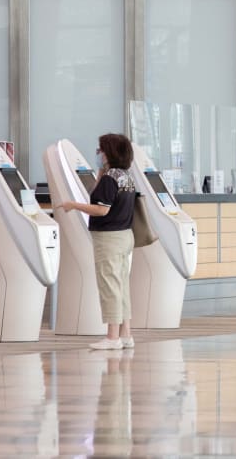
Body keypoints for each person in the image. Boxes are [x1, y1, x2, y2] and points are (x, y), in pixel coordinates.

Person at [58, 133, 137, 350]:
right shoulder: (125, 176)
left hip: (109, 239)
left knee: (109, 286)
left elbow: (101, 209)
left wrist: (73, 205)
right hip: (125, 235)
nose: (97, 153)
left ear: (108, 152)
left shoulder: (110, 179)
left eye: (100, 150)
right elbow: (100, 194)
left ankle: (112, 337)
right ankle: (126, 334)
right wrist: (101, 173)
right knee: (121, 285)